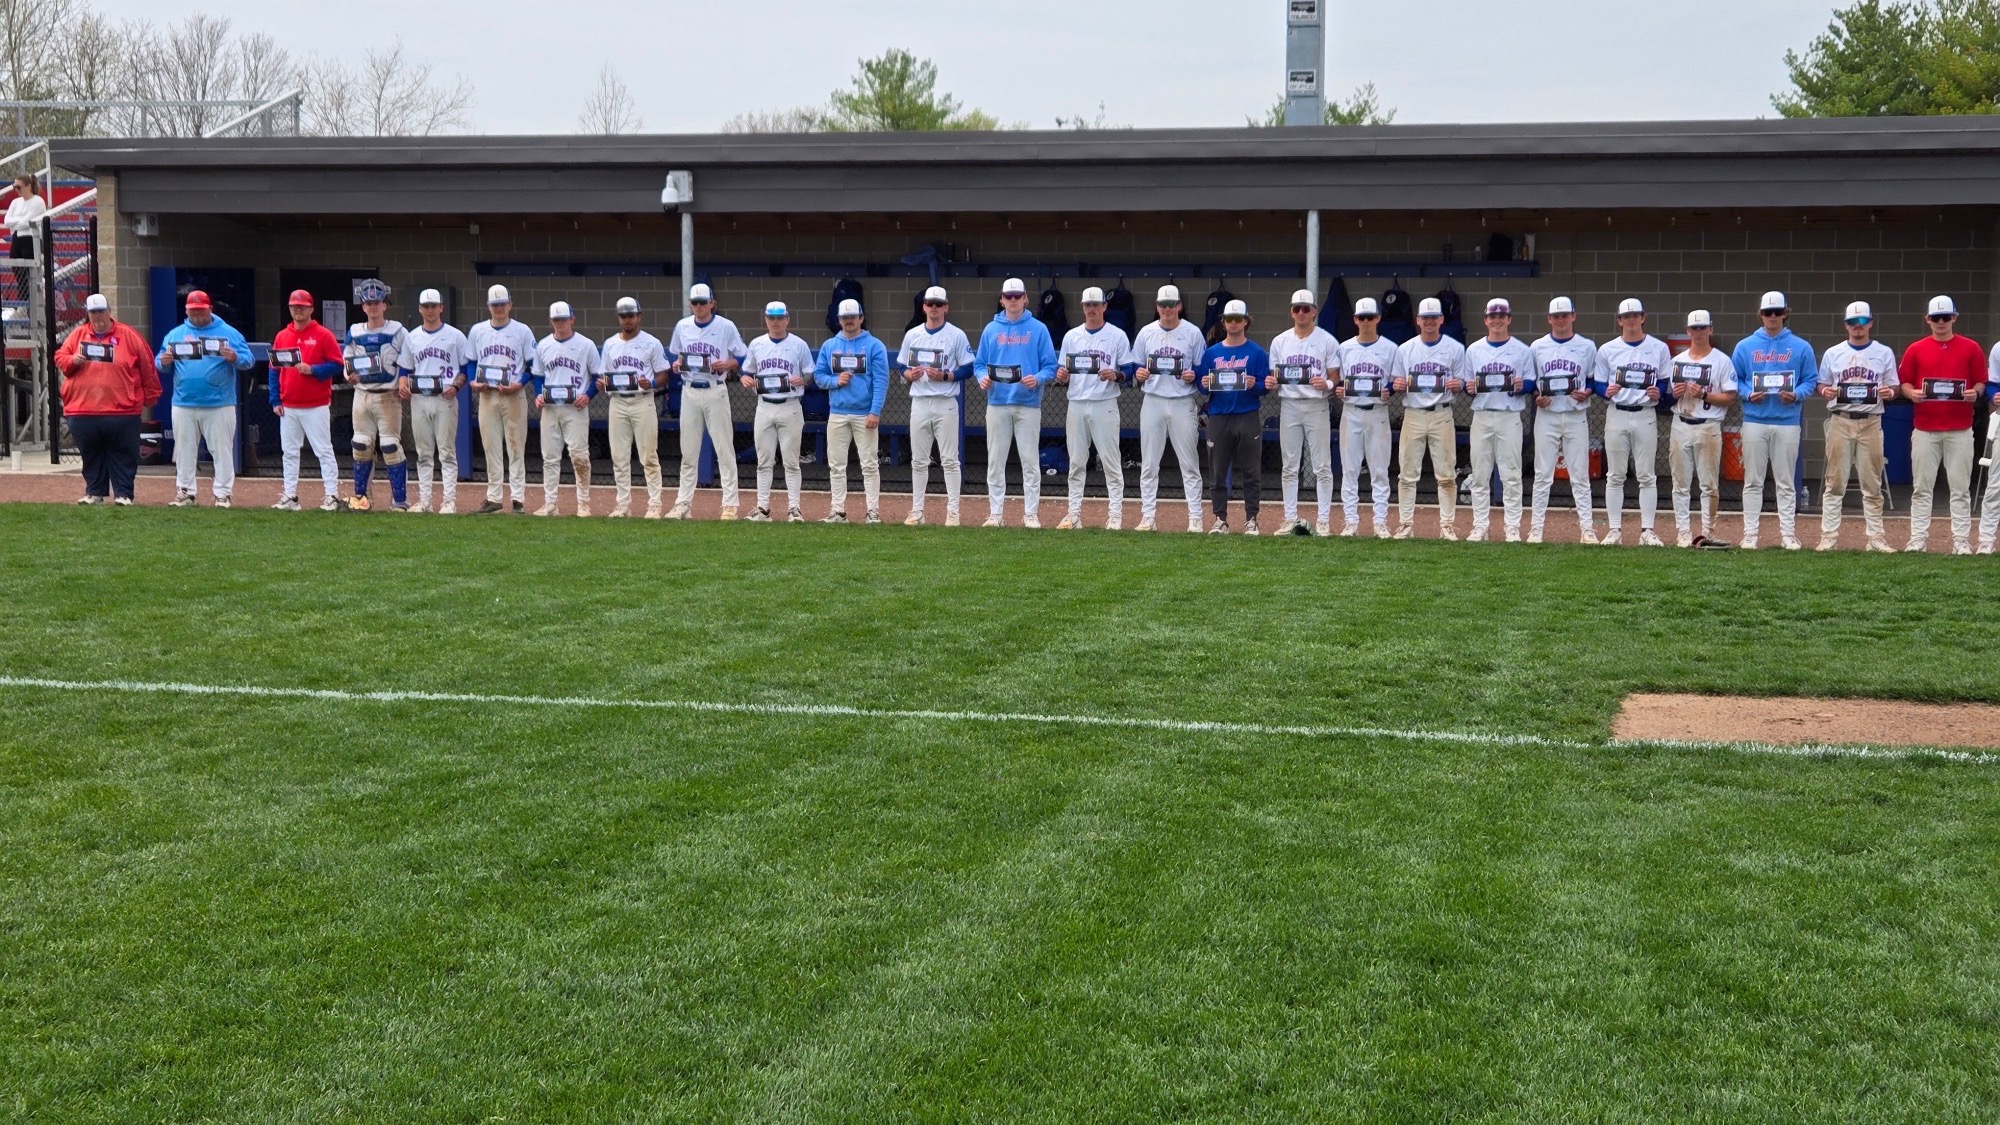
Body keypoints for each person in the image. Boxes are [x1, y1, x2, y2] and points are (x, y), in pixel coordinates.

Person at [1729, 291, 1819, 549]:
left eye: (1777, 312)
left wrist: (1797, 394)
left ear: (1785, 313)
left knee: (1785, 481)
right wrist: (1747, 393)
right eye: (1768, 312)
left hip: (1787, 420)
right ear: (1760, 315)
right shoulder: (1745, 346)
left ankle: (1788, 533)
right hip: (1755, 419)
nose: (1772, 317)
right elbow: (1735, 379)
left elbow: (1810, 380)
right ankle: (1750, 534)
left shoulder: (1801, 346)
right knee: (1753, 481)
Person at [1898, 294, 1986, 553]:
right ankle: (1918, 539)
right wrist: (1911, 393)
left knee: (1960, 488)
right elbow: (1904, 382)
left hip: (1959, 429)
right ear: (1927, 319)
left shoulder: (1971, 348)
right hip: (1925, 429)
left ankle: (1960, 540)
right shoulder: (1916, 348)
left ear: (1954, 318)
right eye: (1936, 318)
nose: (1941, 322)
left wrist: (1976, 392)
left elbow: (1981, 381)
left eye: (1946, 317)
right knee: (1921, 487)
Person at [55, 293, 158, 506]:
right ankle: (94, 492)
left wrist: (151, 396)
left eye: (101, 311)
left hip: (122, 409)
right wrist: (73, 360)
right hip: (83, 409)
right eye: (93, 312)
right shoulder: (78, 335)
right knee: (91, 454)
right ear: (88, 314)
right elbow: (60, 359)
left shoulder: (129, 335)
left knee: (123, 454)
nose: (98, 316)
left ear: (109, 311)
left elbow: (147, 366)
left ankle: (123, 494)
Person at [1815, 301, 1898, 553]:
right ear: (1846, 325)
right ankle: (1828, 536)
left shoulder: (1883, 352)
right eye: (1853, 322)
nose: (1858, 327)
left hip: (1871, 421)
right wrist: (1825, 391)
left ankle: (1876, 537)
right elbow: (1822, 385)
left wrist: (1889, 392)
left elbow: (1894, 387)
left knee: (1872, 483)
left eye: (1862, 322)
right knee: (1835, 482)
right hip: (1840, 419)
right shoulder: (1833, 352)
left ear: (1871, 323)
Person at [157, 289, 251, 508]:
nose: (197, 316)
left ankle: (223, 493)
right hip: (183, 402)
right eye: (193, 312)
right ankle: (186, 492)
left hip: (219, 402)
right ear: (187, 311)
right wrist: (164, 361)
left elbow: (248, 361)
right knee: (184, 450)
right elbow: (160, 363)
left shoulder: (228, 332)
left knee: (222, 450)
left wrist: (235, 357)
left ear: (210, 309)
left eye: (201, 311)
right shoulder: (175, 334)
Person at [976, 277, 1058, 528]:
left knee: (1030, 461)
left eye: (1017, 296)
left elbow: (1051, 366)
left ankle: (1031, 513)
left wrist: (1039, 378)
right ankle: (996, 514)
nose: (1013, 301)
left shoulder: (1038, 329)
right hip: (997, 402)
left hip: (1028, 403)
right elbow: (979, 364)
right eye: (1008, 297)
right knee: (995, 461)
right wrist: (982, 379)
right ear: (1002, 299)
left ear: (1025, 299)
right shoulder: (991, 329)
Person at [666, 282, 747, 520]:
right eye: (695, 303)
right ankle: (683, 504)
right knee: (688, 451)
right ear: (690, 304)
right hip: (690, 389)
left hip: (715, 389)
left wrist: (728, 363)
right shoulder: (682, 326)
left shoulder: (725, 326)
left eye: (703, 302)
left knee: (724, 449)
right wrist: (676, 365)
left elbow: (742, 355)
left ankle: (730, 504)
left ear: (712, 303)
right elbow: (675, 354)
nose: (699, 307)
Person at [1131, 285, 1207, 532]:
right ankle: (1148, 516)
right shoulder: (1146, 332)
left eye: (1171, 304)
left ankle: (1195, 517)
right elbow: (1136, 367)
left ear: (1179, 306)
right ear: (1157, 306)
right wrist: (1139, 373)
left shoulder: (1193, 333)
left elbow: (1201, 370)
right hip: (1152, 400)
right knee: (1150, 463)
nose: (1166, 309)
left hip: (1182, 401)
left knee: (1189, 463)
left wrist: (1192, 375)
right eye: (1162, 304)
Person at [1596, 299, 1672, 547]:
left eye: (1635, 315)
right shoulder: (1608, 349)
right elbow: (1597, 383)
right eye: (1625, 316)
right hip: (1617, 412)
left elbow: (1662, 380)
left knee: (1646, 475)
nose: (1630, 320)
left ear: (1643, 317)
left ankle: (1647, 530)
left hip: (1644, 414)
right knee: (1615, 475)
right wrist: (1606, 390)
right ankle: (1614, 530)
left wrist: (1658, 392)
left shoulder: (1658, 347)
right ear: (1619, 320)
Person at [897, 285, 974, 527]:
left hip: (945, 401)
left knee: (950, 460)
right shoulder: (912, 334)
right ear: (923, 307)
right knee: (919, 460)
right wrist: (909, 374)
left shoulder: (956, 334)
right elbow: (901, 366)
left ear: (946, 307)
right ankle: (917, 510)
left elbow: (968, 368)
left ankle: (953, 511)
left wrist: (947, 376)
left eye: (938, 304)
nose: (934, 307)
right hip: (919, 401)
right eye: (930, 303)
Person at [1056, 286, 1131, 530]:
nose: (1091, 309)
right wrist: (1062, 375)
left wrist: (1116, 374)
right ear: (1082, 307)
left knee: (1111, 460)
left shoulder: (1117, 335)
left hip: (1104, 403)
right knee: (1077, 461)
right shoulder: (1072, 336)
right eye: (1087, 305)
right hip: (1076, 402)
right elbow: (1062, 375)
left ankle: (1115, 515)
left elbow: (1129, 370)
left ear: (1104, 307)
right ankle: (1074, 513)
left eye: (1096, 305)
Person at [1526, 296, 1599, 544]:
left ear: (1573, 316)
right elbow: (1531, 381)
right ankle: (1536, 529)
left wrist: (1587, 392)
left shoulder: (1587, 346)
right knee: (1542, 473)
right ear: (1549, 319)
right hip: (1547, 415)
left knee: (1579, 474)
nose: (1560, 320)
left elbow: (1592, 379)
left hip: (1575, 414)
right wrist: (1536, 396)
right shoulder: (1537, 347)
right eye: (1556, 316)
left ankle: (1587, 529)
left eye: (1564, 315)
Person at [1462, 298, 1535, 542]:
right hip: (1482, 415)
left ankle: (1512, 526)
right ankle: (1480, 525)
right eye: (1492, 316)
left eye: (1501, 316)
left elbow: (1531, 382)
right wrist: (1470, 387)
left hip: (1509, 414)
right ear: (1485, 320)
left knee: (1511, 474)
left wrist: (1521, 385)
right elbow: (1467, 384)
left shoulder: (1522, 350)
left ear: (1509, 319)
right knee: (1480, 474)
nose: (1497, 320)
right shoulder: (1473, 350)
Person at [1666, 310, 1740, 547]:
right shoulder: (1677, 362)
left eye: (1702, 328)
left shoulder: (1721, 360)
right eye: (1694, 328)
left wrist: (1705, 393)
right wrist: (1674, 395)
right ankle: (1683, 532)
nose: (1698, 332)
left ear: (1711, 329)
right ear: (1688, 331)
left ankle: (1708, 531)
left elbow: (1730, 398)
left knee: (1708, 483)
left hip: (1708, 425)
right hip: (1681, 423)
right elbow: (1666, 399)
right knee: (1680, 483)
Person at [1393, 296, 1465, 540]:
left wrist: (1459, 384)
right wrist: (1399, 384)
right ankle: (1405, 524)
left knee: (1446, 473)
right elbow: (1397, 382)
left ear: (1442, 319)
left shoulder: (1455, 348)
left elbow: (1462, 381)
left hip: (1441, 413)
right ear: (1418, 320)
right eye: (1425, 318)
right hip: (1413, 414)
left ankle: (1447, 525)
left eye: (1434, 317)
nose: (1429, 322)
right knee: (1407, 473)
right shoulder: (1405, 349)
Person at [813, 297, 889, 523]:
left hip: (864, 413)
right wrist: (835, 381)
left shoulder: (874, 345)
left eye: (852, 317)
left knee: (869, 464)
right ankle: (838, 511)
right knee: (836, 464)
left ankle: (872, 512)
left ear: (861, 318)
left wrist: (875, 411)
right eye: (845, 318)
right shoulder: (829, 345)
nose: (849, 321)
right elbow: (819, 377)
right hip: (837, 412)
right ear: (839, 320)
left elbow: (881, 381)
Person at [1197, 299, 1270, 534]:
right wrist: (1205, 382)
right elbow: (1201, 387)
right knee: (1217, 471)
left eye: (1238, 319)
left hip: (1247, 414)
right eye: (1229, 319)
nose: (1234, 323)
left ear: (1246, 321)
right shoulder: (1212, 353)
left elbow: (1265, 387)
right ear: (1223, 322)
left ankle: (1251, 519)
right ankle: (1220, 519)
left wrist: (1254, 384)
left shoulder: (1257, 352)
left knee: (1251, 471)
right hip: (1219, 415)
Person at [396, 289, 472, 515]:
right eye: (426, 306)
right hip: (419, 398)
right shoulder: (412, 336)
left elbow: (466, 368)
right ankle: (425, 500)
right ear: (419, 309)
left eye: (433, 306)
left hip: (444, 399)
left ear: (441, 308)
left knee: (447, 452)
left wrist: (457, 386)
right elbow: (406, 367)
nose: (430, 310)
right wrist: (402, 382)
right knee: (423, 452)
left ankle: (449, 501)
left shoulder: (456, 336)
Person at [1270, 288, 1339, 536]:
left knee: (1322, 465)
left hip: (1316, 405)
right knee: (1289, 465)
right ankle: (1289, 518)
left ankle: (1323, 520)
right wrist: (1272, 383)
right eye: (1297, 308)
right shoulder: (1280, 341)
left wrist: (1328, 385)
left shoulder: (1327, 340)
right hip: (1289, 405)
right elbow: (1275, 377)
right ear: (1291, 312)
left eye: (1306, 308)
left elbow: (1334, 376)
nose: (1301, 313)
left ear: (1314, 312)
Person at [269, 289, 344, 511]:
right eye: (294, 306)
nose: (298, 310)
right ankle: (290, 496)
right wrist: (275, 400)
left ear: (311, 308)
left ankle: (332, 495)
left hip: (316, 404)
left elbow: (337, 364)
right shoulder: (283, 335)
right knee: (289, 452)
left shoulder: (323, 334)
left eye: (302, 307)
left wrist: (314, 370)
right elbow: (273, 369)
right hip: (289, 404)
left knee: (323, 450)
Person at [741, 300, 815, 522]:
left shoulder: (798, 344)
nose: (775, 322)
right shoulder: (756, 344)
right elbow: (746, 371)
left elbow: (810, 375)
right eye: (771, 318)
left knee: (791, 462)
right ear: (765, 319)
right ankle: (763, 508)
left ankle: (794, 509)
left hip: (790, 405)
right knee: (764, 462)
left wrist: (802, 380)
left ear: (787, 319)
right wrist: (745, 378)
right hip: (764, 405)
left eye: (779, 318)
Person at [467, 284, 537, 514]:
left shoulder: (522, 330)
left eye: (502, 304)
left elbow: (532, 365)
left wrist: (521, 382)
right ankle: (494, 498)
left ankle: (518, 499)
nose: (499, 308)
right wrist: (472, 382)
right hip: (488, 395)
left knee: (516, 447)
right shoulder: (478, 331)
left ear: (510, 305)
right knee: (491, 447)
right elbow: (470, 362)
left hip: (514, 395)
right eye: (495, 304)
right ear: (488, 306)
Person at [1334, 297, 1402, 537]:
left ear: (1378, 318)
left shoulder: (1391, 348)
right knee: (1350, 469)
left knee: (1380, 469)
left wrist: (1390, 390)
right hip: (1351, 411)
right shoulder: (1343, 348)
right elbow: (1337, 380)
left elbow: (1396, 380)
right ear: (1355, 320)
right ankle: (1351, 521)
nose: (1365, 321)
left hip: (1378, 413)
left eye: (1370, 317)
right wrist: (1338, 389)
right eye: (1361, 317)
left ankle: (1380, 521)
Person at [598, 296, 671, 519]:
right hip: (618, 401)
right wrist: (602, 384)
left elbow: (663, 375)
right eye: (623, 316)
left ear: (639, 316)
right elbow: (603, 376)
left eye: (631, 315)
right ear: (618, 318)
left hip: (643, 400)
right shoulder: (610, 343)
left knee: (648, 455)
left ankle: (655, 504)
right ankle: (623, 505)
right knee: (619, 456)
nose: (627, 320)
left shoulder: (651, 342)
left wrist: (653, 383)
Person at [342, 279, 410, 511]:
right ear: (363, 306)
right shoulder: (354, 331)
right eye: (368, 303)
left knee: (391, 446)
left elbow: (408, 359)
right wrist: (349, 374)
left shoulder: (398, 330)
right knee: (361, 445)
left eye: (377, 302)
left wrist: (403, 380)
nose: (373, 307)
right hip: (362, 396)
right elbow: (347, 358)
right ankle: (362, 498)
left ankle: (399, 500)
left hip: (387, 395)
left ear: (384, 305)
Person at [532, 301, 599, 516]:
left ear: (572, 319)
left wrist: (588, 396)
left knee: (579, 456)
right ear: (551, 321)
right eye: (556, 320)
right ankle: (550, 503)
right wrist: (538, 395)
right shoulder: (543, 345)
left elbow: (598, 376)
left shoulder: (586, 345)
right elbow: (538, 375)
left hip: (575, 408)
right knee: (550, 457)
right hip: (551, 408)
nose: (560, 323)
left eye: (563, 319)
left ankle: (583, 503)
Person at [6, 173, 45, 301]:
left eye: (19, 187)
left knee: (30, 272)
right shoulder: (15, 202)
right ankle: (24, 299)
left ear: (28, 186)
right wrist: (20, 221)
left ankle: (32, 300)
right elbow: (7, 221)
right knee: (18, 270)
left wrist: (17, 221)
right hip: (17, 238)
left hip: (30, 239)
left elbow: (28, 222)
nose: (17, 190)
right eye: (15, 187)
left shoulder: (38, 201)